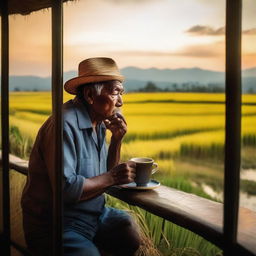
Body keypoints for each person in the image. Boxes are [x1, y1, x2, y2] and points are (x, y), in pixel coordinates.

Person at [21, 57, 141, 256]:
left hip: (93, 215)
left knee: (128, 230)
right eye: (115, 92)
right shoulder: (63, 125)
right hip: (56, 224)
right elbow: (66, 190)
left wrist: (117, 140)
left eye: (121, 93)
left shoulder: (99, 122)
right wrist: (113, 177)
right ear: (89, 95)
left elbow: (105, 175)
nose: (120, 101)